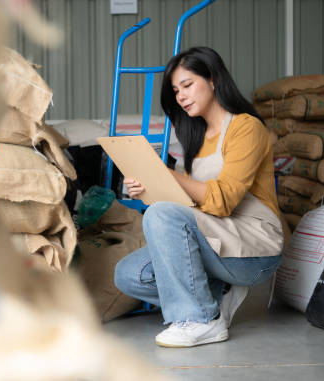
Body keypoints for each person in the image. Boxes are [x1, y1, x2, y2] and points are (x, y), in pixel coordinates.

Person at [114, 47, 284, 348]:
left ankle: (200, 319)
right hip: (215, 240)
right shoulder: (194, 136)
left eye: (188, 85)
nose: (180, 95)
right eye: (176, 90)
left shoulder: (246, 128)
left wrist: (167, 175)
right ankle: (216, 296)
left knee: (163, 214)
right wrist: (149, 186)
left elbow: (223, 201)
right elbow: (182, 206)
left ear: (214, 80)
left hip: (255, 248)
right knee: (128, 274)